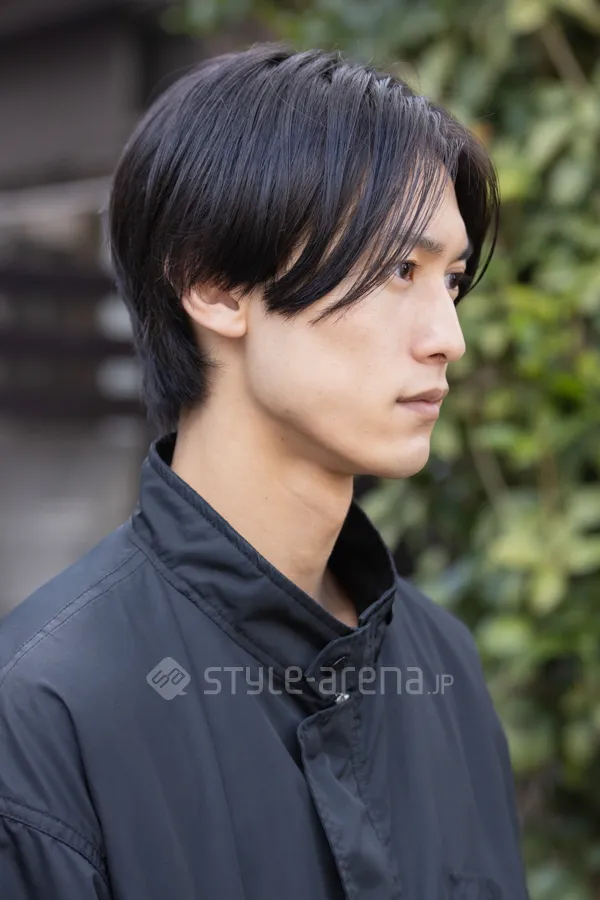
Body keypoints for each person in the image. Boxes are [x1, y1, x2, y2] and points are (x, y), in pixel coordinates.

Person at [0, 44, 529, 900]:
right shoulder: (42, 710)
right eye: (401, 269)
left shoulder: (443, 664)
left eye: (454, 280)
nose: (450, 338)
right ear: (214, 286)